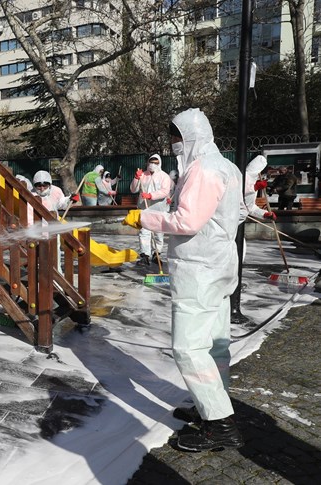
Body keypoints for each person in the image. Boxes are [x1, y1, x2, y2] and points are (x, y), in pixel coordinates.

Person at [122, 108, 247, 452]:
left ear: (190, 136)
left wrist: (144, 220)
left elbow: (188, 220)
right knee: (216, 343)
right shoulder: (227, 167)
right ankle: (210, 401)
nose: (173, 144)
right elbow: (238, 212)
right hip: (220, 265)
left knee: (188, 348)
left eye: (176, 137)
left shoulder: (203, 170)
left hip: (199, 269)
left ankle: (220, 423)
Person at [129, 154, 172, 266]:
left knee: (158, 233)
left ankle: (156, 254)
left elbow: (165, 191)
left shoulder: (164, 176)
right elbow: (133, 190)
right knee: (144, 232)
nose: (152, 164)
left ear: (159, 163)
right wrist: (136, 178)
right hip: (144, 208)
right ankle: (145, 255)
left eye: (155, 162)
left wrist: (150, 195)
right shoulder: (143, 175)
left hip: (159, 210)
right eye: (150, 162)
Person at [244, 155, 277, 221]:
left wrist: (264, 214)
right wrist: (254, 187)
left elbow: (249, 208)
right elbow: (233, 192)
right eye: (264, 174)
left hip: (236, 223)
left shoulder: (254, 180)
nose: (264, 177)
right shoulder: (243, 176)